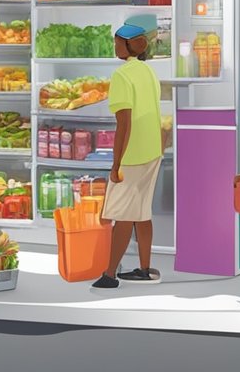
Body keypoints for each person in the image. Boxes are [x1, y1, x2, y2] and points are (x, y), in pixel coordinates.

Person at [91, 23, 163, 290]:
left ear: (128, 45)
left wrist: (116, 163)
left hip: (133, 154)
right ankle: (145, 269)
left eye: (117, 42)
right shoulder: (148, 72)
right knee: (142, 212)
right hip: (152, 149)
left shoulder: (122, 76)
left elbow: (124, 123)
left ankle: (109, 275)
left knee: (122, 214)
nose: (115, 47)